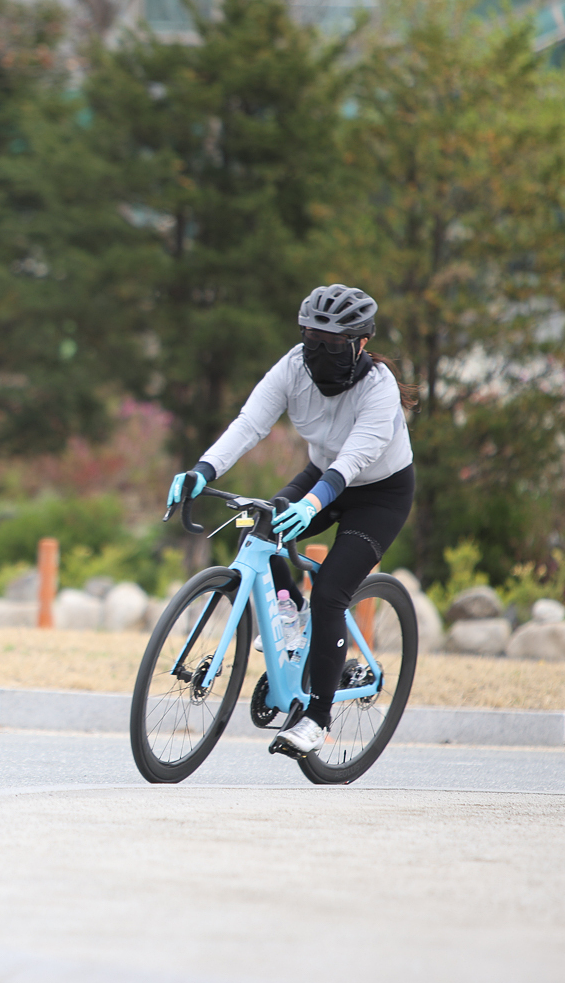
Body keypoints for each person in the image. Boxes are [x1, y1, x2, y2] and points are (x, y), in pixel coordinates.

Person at [165, 283, 415, 760]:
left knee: (330, 594)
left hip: (378, 494)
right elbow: (249, 423)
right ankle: (288, 611)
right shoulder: (293, 367)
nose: (318, 350)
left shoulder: (379, 389)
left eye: (333, 342)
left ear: (361, 343)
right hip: (321, 473)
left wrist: (312, 504)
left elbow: (354, 460)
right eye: (311, 337)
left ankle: (316, 719)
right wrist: (203, 470)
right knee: (257, 527)